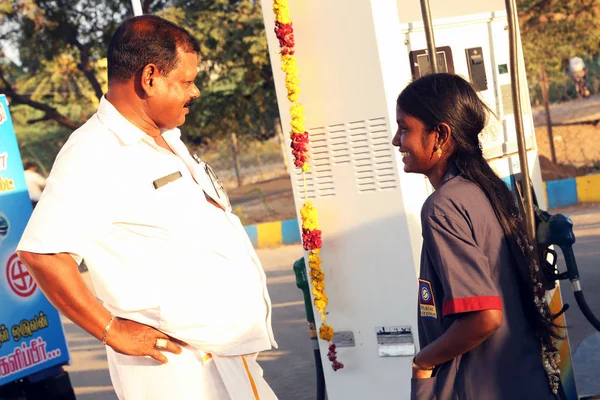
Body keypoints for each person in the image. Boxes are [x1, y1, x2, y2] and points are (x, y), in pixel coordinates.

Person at [17, 15, 278, 400]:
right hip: (178, 372)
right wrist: (112, 330)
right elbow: (43, 253)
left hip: (225, 361)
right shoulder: (95, 151)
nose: (196, 92)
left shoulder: (166, 137)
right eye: (187, 81)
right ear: (150, 77)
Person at [392, 73, 562, 400]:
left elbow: (485, 316)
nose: (396, 141)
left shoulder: (443, 207)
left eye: (404, 128)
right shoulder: (486, 190)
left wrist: (422, 362)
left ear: (440, 134)